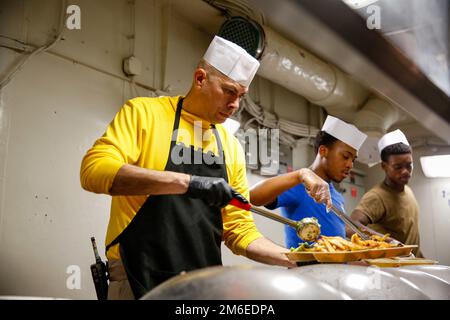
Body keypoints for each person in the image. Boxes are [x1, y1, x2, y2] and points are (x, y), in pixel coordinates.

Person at [80, 36, 331, 299]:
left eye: (241, 96)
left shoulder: (230, 146)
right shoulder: (145, 114)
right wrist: (189, 183)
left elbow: (239, 230)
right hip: (137, 277)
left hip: (203, 286)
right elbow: (94, 170)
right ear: (200, 79)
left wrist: (300, 258)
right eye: (228, 91)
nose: (235, 105)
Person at [250, 115, 367, 249]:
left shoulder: (336, 195)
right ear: (323, 151)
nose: (350, 165)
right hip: (305, 268)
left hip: (337, 268)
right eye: (345, 156)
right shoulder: (298, 184)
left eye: (353, 160)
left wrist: (379, 238)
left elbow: (340, 226)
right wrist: (301, 174)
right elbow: (253, 196)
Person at [349, 129, 422, 257]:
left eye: (409, 165)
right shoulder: (377, 196)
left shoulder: (407, 191)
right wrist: (389, 242)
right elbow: (351, 225)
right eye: (398, 167)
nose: (405, 171)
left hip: (411, 264)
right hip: (391, 269)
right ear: (384, 166)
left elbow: (410, 236)